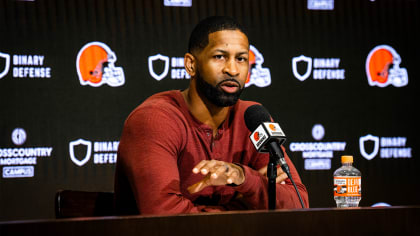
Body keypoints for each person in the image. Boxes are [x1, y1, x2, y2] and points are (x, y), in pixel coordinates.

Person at [114, 16, 309, 215]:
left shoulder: (252, 117)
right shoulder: (155, 119)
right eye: (219, 57)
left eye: (241, 59)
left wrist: (242, 177)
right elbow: (164, 217)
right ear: (191, 64)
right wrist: (241, 206)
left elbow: (298, 203)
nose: (232, 70)